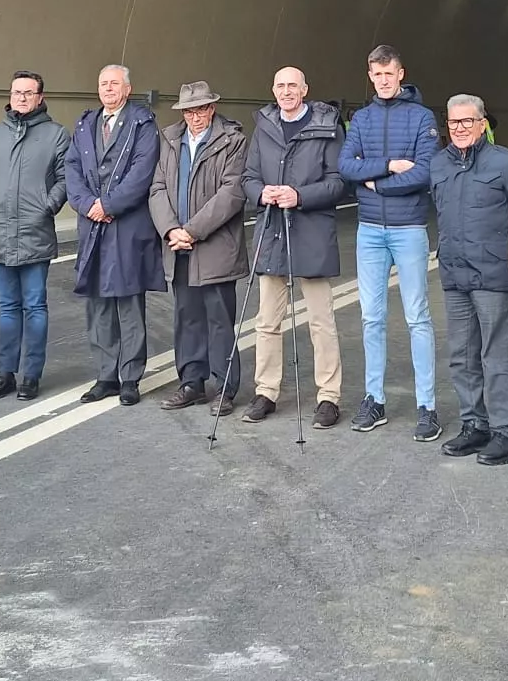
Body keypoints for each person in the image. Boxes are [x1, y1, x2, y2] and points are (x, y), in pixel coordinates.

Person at [338, 44, 441, 440]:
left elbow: (424, 173)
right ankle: (374, 399)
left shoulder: (421, 117)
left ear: (401, 74)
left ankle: (427, 406)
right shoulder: (361, 119)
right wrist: (387, 166)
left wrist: (373, 182)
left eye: (389, 74)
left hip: (409, 228)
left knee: (417, 317)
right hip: (369, 231)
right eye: (376, 75)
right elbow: (346, 166)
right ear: (371, 76)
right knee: (371, 318)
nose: (382, 80)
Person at [239, 66, 346, 428]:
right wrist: (261, 193)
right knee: (267, 320)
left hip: (312, 231)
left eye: (292, 86)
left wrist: (299, 195)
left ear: (305, 90)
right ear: (273, 89)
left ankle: (328, 397)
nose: (286, 91)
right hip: (273, 232)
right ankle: (265, 392)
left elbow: (337, 182)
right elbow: (248, 177)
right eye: (280, 85)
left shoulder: (328, 126)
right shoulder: (264, 127)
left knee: (321, 321)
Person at [431, 93, 508, 465]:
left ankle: (505, 432)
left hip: (492, 274)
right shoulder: (439, 164)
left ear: (483, 123)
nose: (460, 129)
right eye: (454, 122)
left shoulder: (507, 164)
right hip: (454, 274)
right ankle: (474, 425)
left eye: (468, 121)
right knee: (462, 355)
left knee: (496, 356)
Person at [65, 63, 165, 406]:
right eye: (103, 83)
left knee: (128, 302)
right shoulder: (85, 124)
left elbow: (142, 173)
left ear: (127, 89)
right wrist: (85, 204)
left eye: (114, 84)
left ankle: (131, 378)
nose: (108, 89)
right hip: (91, 223)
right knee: (98, 303)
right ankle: (105, 375)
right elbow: (72, 168)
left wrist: (107, 205)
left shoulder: (143, 124)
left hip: (126, 226)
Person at [0, 70, 70, 400]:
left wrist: (49, 204)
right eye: (17, 92)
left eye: (29, 92)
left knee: (35, 306)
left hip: (35, 230)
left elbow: (65, 178)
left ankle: (31, 374)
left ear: (40, 97)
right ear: (10, 95)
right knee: (8, 307)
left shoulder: (56, 134)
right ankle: (5, 372)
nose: (22, 98)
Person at [150, 82, 248, 416]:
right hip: (178, 245)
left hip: (216, 246)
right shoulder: (170, 139)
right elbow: (157, 188)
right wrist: (170, 231)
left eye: (201, 109)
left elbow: (232, 194)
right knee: (186, 317)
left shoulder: (233, 140)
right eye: (189, 111)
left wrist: (191, 231)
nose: (195, 116)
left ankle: (224, 388)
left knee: (219, 319)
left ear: (212, 108)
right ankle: (192, 383)